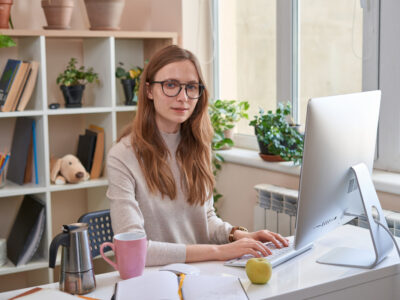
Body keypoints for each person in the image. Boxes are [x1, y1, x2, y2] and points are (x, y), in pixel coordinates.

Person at [106, 45, 288, 266]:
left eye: (191, 87)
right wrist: (219, 251)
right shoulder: (122, 156)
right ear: (148, 91)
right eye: (170, 85)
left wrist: (238, 235)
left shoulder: (198, 146)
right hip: (155, 281)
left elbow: (205, 219)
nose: (183, 97)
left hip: (199, 273)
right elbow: (136, 250)